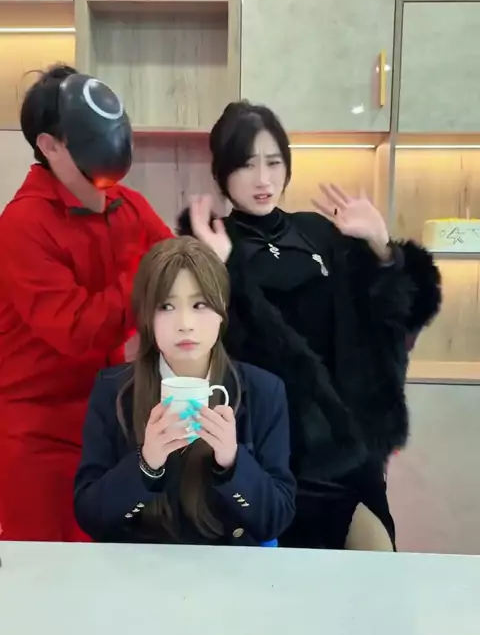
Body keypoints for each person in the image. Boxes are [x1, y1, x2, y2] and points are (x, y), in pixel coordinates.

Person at [178, 101, 442, 551]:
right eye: (246, 165)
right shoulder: (213, 243)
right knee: (286, 589)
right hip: (272, 455)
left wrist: (382, 248)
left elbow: (398, 319)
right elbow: (216, 350)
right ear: (222, 173)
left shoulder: (319, 231)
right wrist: (220, 272)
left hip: (351, 451)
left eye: (273, 162)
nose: (263, 179)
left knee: (378, 573)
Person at [0, 64, 173, 542]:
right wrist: (148, 274)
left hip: (108, 422)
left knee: (106, 562)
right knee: (46, 570)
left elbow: (172, 264)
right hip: (38, 435)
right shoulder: (22, 226)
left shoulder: (126, 204)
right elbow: (79, 329)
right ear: (49, 145)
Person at [74, 237, 296, 545]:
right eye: (166, 306)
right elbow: (90, 516)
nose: (185, 324)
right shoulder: (114, 389)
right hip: (140, 564)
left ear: (222, 311)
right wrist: (146, 464)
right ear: (146, 317)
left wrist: (232, 462)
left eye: (200, 304)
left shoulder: (263, 391)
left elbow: (276, 518)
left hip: (230, 566)